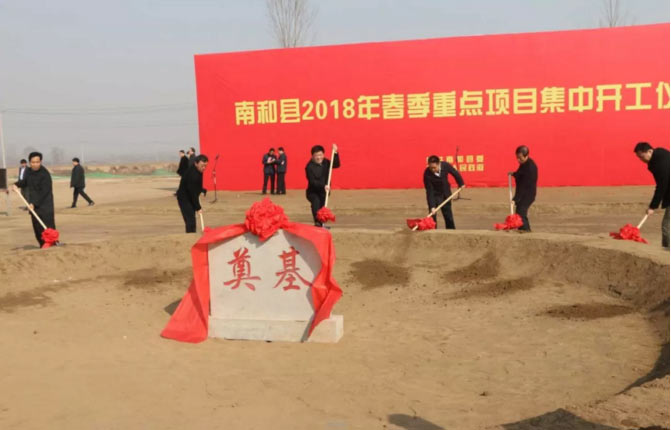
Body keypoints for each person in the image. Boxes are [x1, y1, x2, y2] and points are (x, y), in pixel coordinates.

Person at [13, 152, 56, 247]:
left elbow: (44, 192)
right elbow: (25, 182)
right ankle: (42, 245)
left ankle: (51, 244)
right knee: (37, 229)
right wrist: (16, 184)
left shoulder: (44, 174)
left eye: (37, 162)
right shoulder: (28, 172)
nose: (35, 164)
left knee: (48, 227)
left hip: (45, 205)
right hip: (34, 206)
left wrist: (34, 203)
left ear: (41, 161)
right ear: (30, 162)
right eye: (33, 162)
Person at [634, 142, 670, 248]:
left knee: (666, 226)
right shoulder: (660, 153)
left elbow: (661, 186)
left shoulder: (660, 164)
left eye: (642, 157)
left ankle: (667, 249)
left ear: (650, 151)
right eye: (639, 157)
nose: (641, 160)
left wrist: (652, 206)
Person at [423, 155, 465, 229]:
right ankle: (433, 232)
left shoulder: (445, 165)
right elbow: (429, 191)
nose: (432, 169)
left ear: (439, 164)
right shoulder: (427, 174)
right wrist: (432, 206)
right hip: (434, 195)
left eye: (434, 167)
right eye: (431, 167)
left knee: (448, 215)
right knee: (432, 216)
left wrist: (461, 183)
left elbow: (455, 173)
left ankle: (451, 231)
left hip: (445, 194)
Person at [305, 144, 340, 226]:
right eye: (316, 155)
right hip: (313, 192)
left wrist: (335, 152)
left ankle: (321, 223)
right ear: (312, 156)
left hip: (324, 191)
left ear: (323, 155)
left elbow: (336, 164)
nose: (319, 157)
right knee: (316, 203)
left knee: (322, 206)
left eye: (320, 155)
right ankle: (317, 222)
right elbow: (312, 182)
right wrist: (323, 185)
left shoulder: (326, 162)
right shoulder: (309, 167)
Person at [177, 154, 208, 233]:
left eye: (205, 166)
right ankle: (190, 236)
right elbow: (192, 193)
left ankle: (192, 234)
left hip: (190, 195)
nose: (204, 168)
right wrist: (198, 207)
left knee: (191, 219)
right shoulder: (193, 175)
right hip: (184, 198)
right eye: (202, 166)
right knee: (190, 220)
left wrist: (202, 189)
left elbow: (196, 185)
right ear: (196, 163)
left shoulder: (198, 170)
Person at [510, 145, 538, 232]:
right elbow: (520, 174)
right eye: (517, 158)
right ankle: (522, 229)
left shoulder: (530, 168)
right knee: (519, 211)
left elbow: (524, 185)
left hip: (528, 194)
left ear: (526, 155)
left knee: (521, 211)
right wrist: (514, 174)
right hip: (523, 193)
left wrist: (516, 198)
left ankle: (526, 230)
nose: (518, 160)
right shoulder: (524, 164)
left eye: (520, 158)